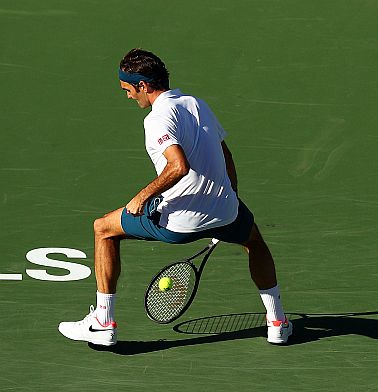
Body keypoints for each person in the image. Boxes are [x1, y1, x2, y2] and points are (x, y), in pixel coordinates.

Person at [58, 48, 291, 346]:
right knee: (253, 241)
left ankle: (103, 323)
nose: (128, 97)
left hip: (179, 221)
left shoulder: (156, 120)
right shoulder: (196, 104)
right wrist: (230, 197)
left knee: (103, 229)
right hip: (226, 210)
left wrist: (141, 197)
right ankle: (277, 323)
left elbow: (178, 166)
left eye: (128, 90)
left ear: (143, 85)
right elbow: (226, 154)